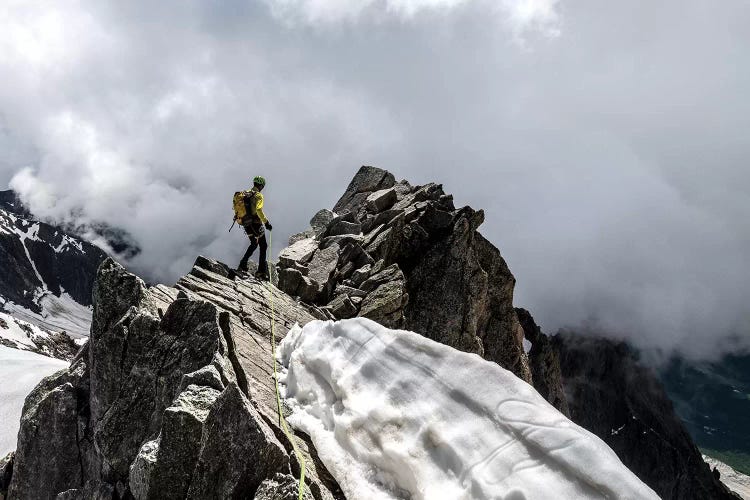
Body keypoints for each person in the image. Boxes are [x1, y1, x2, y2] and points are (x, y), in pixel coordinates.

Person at [238, 176, 272, 280]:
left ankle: (242, 264)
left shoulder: (244, 193)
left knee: (253, 243)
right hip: (256, 223)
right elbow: (258, 210)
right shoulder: (258, 195)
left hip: (246, 223)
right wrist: (266, 223)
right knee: (263, 245)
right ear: (261, 186)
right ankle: (261, 272)